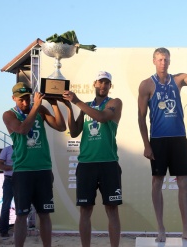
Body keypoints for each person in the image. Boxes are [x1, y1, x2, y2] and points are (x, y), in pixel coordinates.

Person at [138, 47, 187, 242]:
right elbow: (141, 117)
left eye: (166, 59)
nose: (163, 63)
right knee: (157, 182)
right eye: (160, 59)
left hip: (178, 138)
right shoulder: (146, 85)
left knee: (183, 183)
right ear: (154, 61)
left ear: (170, 61)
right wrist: (146, 144)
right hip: (159, 140)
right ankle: (160, 228)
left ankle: (185, 230)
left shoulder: (177, 80)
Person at [2, 82, 67, 247]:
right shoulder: (9, 115)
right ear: (14, 98)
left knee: (44, 214)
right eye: (21, 100)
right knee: (21, 215)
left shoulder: (39, 109)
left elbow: (60, 126)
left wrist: (54, 104)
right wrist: (36, 106)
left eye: (27, 99)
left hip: (43, 169)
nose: (25, 103)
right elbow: (23, 129)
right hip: (23, 170)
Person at [63, 71, 123, 247]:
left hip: (108, 163)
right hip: (86, 164)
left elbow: (102, 117)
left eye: (107, 83)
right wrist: (69, 107)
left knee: (112, 209)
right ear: (94, 84)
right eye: (100, 82)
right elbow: (74, 132)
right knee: (85, 210)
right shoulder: (86, 105)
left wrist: (76, 101)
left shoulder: (114, 102)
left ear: (110, 86)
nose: (103, 86)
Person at [0, 145, 13, 238]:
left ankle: (21, 229)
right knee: (6, 206)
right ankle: (4, 231)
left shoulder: (25, 149)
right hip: (9, 180)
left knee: (22, 206)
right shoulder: (6, 150)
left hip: (22, 180)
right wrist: (14, 167)